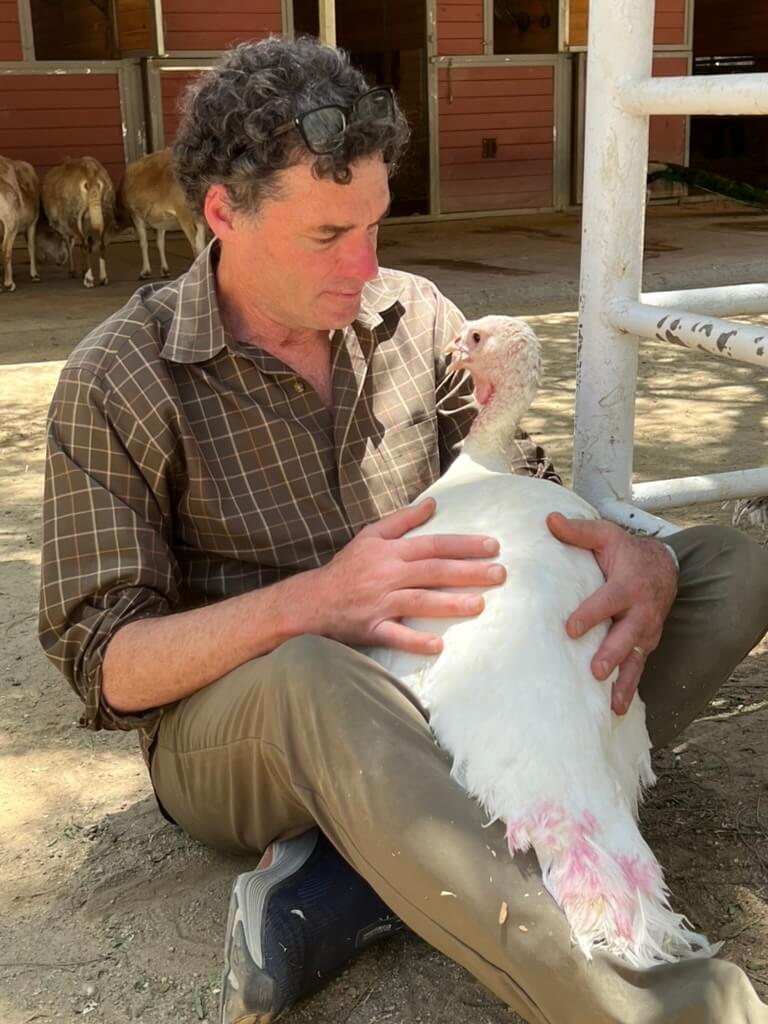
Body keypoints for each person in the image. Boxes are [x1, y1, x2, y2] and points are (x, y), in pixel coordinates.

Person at [38, 34, 768, 1024]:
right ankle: (645, 1002)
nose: (367, 264)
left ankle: (351, 881)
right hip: (255, 723)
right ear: (222, 214)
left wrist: (629, 554)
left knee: (724, 566)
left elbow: (528, 492)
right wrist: (321, 601)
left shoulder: (414, 316)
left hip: (453, 683)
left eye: (377, 224)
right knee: (315, 673)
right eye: (327, 234)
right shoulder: (118, 375)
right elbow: (111, 665)